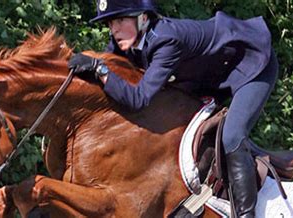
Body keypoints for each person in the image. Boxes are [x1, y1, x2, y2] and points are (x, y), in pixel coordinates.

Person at [68, 0, 279, 217]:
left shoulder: (166, 40)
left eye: (120, 20)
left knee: (232, 136)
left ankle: (246, 214)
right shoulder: (124, 41)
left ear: (142, 18)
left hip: (251, 64)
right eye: (110, 23)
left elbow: (138, 98)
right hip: (210, 75)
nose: (115, 30)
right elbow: (109, 75)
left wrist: (100, 69)